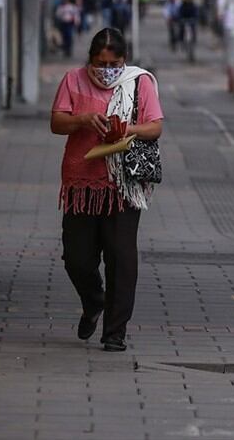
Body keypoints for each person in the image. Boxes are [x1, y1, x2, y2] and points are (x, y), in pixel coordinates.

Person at [50, 28, 164, 351]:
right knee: (76, 257)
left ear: (124, 61)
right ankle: (93, 300)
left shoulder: (139, 82)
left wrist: (127, 128)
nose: (107, 70)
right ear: (90, 59)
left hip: (123, 184)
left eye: (114, 63)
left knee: (121, 258)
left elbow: (155, 126)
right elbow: (57, 122)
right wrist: (84, 120)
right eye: (101, 63)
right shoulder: (73, 80)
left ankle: (115, 332)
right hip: (81, 184)